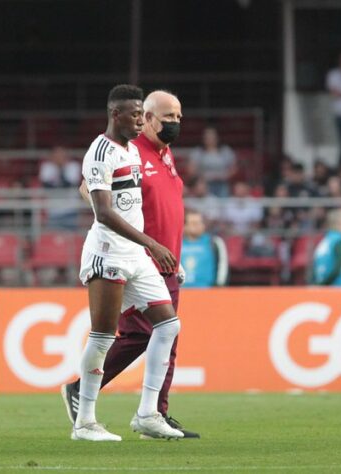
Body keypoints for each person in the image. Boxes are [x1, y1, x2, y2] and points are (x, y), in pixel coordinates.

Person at [62, 90, 200, 439]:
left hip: (150, 258)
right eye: (168, 117)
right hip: (118, 252)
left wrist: (168, 252)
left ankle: (152, 412)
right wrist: (150, 243)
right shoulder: (118, 149)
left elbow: (144, 206)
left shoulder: (158, 155)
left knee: (167, 328)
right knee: (113, 335)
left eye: (179, 117)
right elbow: (97, 200)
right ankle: (86, 413)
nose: (176, 123)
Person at [181, 209, 228, 288]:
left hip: (207, 291)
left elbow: (222, 265)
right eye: (193, 223)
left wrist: (219, 286)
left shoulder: (214, 242)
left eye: (199, 223)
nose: (196, 226)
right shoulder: (177, 243)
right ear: (184, 226)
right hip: (182, 291)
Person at [39, 146, 81, 230]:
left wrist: (61, 168)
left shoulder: (73, 166)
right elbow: (46, 186)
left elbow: (68, 185)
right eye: (56, 155)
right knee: (54, 239)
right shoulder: (47, 167)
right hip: (53, 211)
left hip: (70, 210)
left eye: (61, 154)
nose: (59, 157)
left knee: (71, 240)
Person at [311, 208, 341, 287]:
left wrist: (316, 285)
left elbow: (314, 267)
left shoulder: (323, 241)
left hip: (322, 289)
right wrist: (324, 284)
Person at [188, 127, 236, 197]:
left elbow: (234, 168)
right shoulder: (198, 152)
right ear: (203, 139)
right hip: (205, 185)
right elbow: (191, 169)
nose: (210, 139)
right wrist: (202, 179)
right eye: (207, 137)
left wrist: (224, 176)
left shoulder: (225, 151)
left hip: (222, 184)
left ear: (217, 138)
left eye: (212, 137)